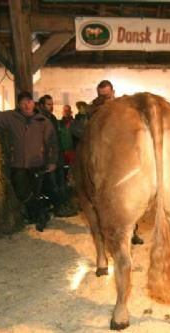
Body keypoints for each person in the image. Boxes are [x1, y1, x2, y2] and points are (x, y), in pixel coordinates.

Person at [0, 91, 57, 232]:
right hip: (18, 164)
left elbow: (52, 143)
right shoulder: (11, 117)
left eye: (29, 101)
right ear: (19, 104)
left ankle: (36, 217)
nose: (26, 105)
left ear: (33, 103)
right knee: (21, 191)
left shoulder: (43, 121)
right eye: (23, 102)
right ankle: (41, 213)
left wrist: (52, 161)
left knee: (35, 192)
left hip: (37, 163)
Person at [86, 80, 144, 245]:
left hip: (123, 161)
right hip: (103, 162)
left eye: (107, 95)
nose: (104, 98)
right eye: (101, 95)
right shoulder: (94, 110)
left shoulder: (124, 108)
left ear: (113, 92)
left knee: (130, 198)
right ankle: (109, 232)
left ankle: (132, 232)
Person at [38, 95, 78, 218]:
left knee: (60, 182)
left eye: (52, 104)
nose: (51, 106)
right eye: (48, 104)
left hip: (58, 154)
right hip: (48, 157)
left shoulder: (53, 118)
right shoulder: (40, 119)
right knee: (52, 183)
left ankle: (62, 205)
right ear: (41, 105)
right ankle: (57, 207)